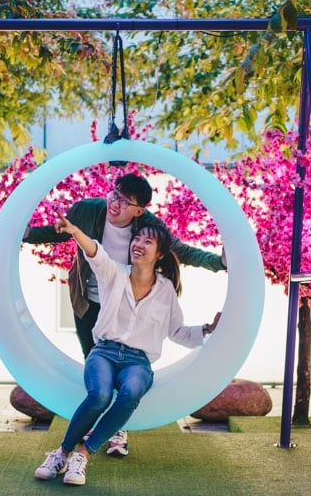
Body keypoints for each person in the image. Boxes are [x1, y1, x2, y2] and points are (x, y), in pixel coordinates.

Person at [22, 173, 225, 455]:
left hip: (122, 301)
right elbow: (60, 233)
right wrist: (26, 234)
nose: (115, 203)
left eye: (125, 201)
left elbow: (180, 251)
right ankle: (89, 431)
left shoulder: (149, 229)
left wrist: (219, 262)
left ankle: (116, 430)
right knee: (97, 367)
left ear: (138, 211)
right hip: (88, 300)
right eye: (114, 194)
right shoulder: (88, 210)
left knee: (127, 376)